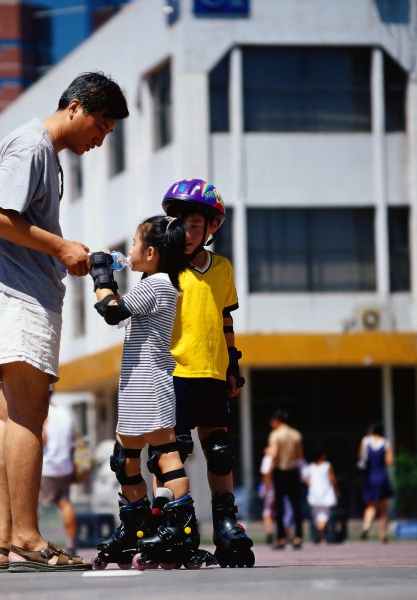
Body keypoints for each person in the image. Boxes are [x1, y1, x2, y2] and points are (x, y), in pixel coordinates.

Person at [0, 71, 129, 573]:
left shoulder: (39, 151)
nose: (99, 139)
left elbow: (12, 221)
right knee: (27, 415)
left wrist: (61, 248)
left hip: (0, 285)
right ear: (76, 107)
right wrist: (59, 247)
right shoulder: (33, 145)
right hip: (18, 291)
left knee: (4, 414)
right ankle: (28, 537)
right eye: (100, 126)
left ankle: (6, 540)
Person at [91, 215, 212, 570]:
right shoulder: (155, 282)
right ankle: (136, 527)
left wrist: (100, 272)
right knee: (124, 458)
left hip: (151, 381)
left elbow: (111, 311)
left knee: (164, 451)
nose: (129, 251)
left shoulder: (158, 284)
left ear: (152, 252)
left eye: (133, 244)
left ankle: (180, 529)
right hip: (135, 381)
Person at [160, 178, 254, 567]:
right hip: (174, 370)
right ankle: (172, 524)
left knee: (219, 451)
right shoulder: (165, 266)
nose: (188, 231)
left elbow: (225, 317)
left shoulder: (222, 268)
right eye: (182, 223)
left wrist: (232, 363)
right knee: (171, 450)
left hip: (213, 370)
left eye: (197, 224)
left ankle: (226, 524)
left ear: (212, 228)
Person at [39, 390, 77, 556]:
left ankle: (31, 542)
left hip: (47, 467)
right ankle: (71, 544)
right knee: (65, 503)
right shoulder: (64, 411)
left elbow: (42, 439)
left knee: (31, 507)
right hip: (65, 465)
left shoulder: (43, 412)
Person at [267, 409, 305, 550]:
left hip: (280, 471)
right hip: (293, 471)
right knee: (296, 505)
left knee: (280, 507)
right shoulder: (295, 434)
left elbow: (274, 455)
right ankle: (298, 537)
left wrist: (269, 474)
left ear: (277, 420)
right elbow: (300, 455)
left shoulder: (275, 435)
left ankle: (281, 538)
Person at [357, 422, 394, 543]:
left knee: (370, 504)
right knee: (383, 508)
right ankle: (382, 533)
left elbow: (360, 456)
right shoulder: (386, 442)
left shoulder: (365, 441)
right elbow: (390, 462)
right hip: (381, 476)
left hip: (369, 476)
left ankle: (366, 525)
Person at [302, 447, 339, 544]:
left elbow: (304, 478)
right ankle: (321, 532)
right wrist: (337, 490)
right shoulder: (327, 465)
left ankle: (321, 535)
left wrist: (311, 484)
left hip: (314, 493)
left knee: (317, 516)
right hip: (325, 492)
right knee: (325, 515)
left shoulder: (310, 467)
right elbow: (333, 480)